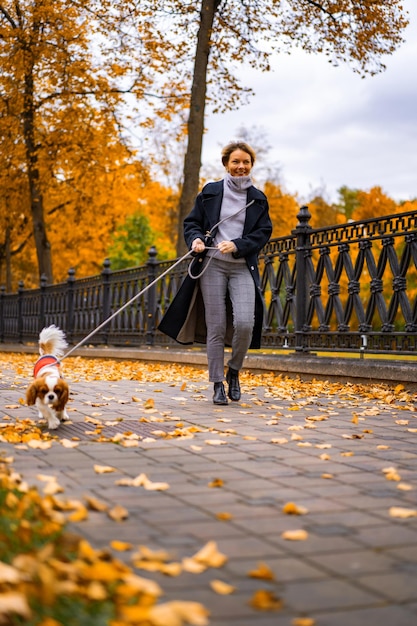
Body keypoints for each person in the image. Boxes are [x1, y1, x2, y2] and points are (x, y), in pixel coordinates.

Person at [158, 141, 272, 405]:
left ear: (251, 165)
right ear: (226, 164)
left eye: (246, 162)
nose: (241, 166)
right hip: (211, 265)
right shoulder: (210, 191)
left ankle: (233, 371)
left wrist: (238, 245)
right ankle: (217, 383)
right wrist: (196, 239)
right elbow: (193, 223)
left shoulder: (258, 198)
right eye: (235, 161)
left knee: (245, 323)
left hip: (241, 266)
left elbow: (263, 233)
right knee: (216, 326)